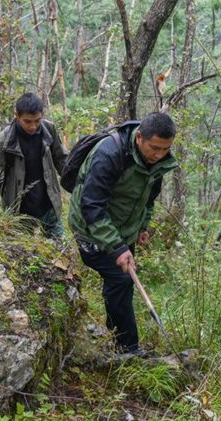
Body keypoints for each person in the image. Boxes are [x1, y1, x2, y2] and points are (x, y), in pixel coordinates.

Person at [68, 112, 178, 355]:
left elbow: (148, 197)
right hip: (90, 227)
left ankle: (120, 340)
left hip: (123, 229)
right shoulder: (109, 154)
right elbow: (92, 205)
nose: (159, 155)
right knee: (121, 280)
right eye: (155, 148)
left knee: (122, 282)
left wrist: (142, 226)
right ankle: (126, 348)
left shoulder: (157, 161)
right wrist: (118, 248)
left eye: (165, 149)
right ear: (139, 137)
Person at [0, 93, 68, 238]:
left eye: (37, 121)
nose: (33, 126)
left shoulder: (49, 130)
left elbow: (62, 160)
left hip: (49, 203)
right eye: (27, 121)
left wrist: (78, 186)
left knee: (60, 249)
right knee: (23, 254)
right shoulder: (4, 141)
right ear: (16, 115)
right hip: (19, 209)